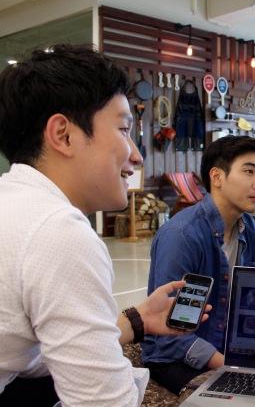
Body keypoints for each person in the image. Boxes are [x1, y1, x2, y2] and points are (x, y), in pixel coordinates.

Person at [0, 44, 209, 407]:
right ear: (63, 134)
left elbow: (35, 349)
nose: (136, 155)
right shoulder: (58, 232)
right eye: (124, 129)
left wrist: (137, 321)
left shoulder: (13, 202)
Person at [141, 135, 255, 395]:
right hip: (175, 358)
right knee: (245, 395)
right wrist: (232, 366)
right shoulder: (183, 236)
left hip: (229, 343)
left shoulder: (250, 229)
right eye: (249, 172)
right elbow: (172, 336)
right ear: (217, 177)